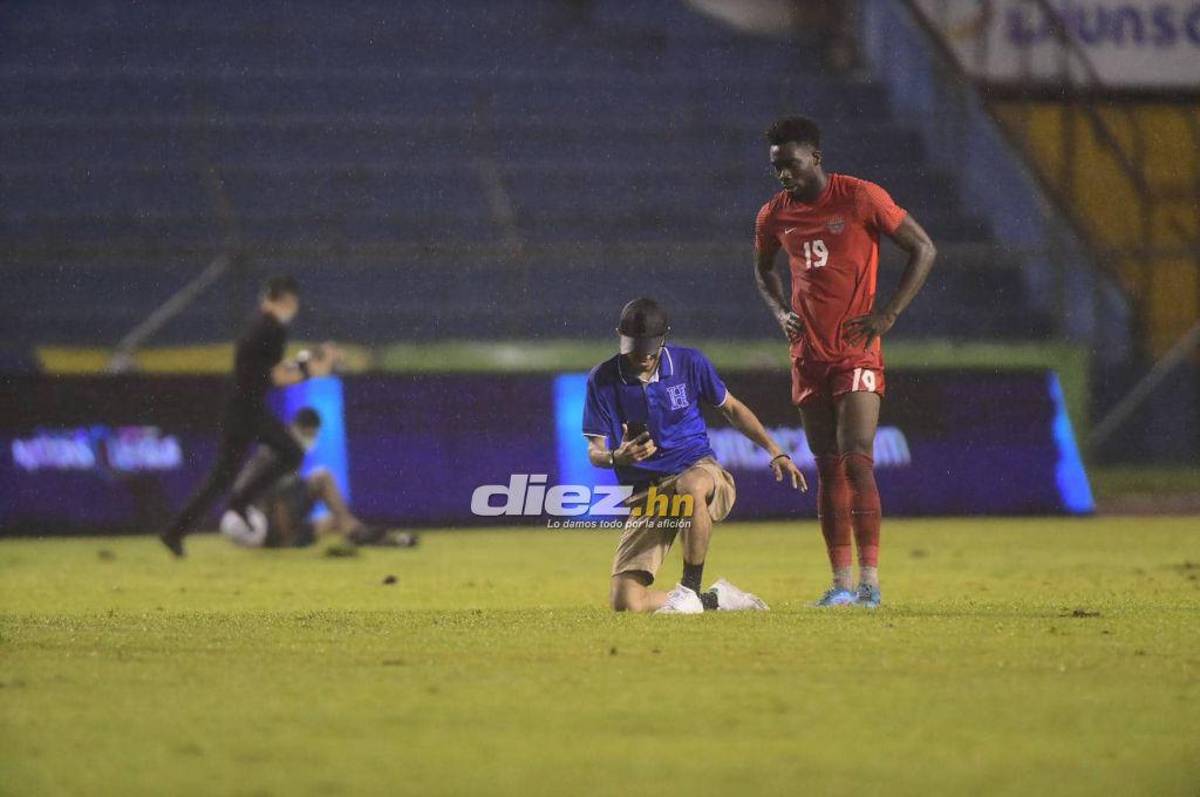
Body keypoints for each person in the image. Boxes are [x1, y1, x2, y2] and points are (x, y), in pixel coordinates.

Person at [753, 116, 937, 608]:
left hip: (856, 350)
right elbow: (763, 269)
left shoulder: (859, 197)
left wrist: (889, 313)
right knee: (829, 467)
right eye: (776, 168)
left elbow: (923, 247)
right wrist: (780, 313)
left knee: (857, 458)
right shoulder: (773, 215)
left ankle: (870, 583)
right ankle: (839, 584)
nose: (783, 175)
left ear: (814, 156)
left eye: (790, 164)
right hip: (808, 355)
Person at [583, 297, 807, 614]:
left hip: (699, 469)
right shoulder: (602, 379)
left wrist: (774, 450)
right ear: (620, 336)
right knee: (626, 602)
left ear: (664, 339)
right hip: (650, 493)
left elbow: (731, 408)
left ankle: (690, 588)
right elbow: (595, 451)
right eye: (634, 346)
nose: (642, 355)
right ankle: (715, 599)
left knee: (691, 485)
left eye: (649, 346)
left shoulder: (690, 363)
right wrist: (618, 457)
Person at [159, 275, 339, 556]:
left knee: (221, 477)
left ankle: (175, 531)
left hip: (240, 406)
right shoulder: (273, 329)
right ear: (288, 301)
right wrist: (309, 370)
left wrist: (306, 361)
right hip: (248, 409)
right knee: (292, 452)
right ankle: (240, 503)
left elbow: (270, 368)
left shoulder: (260, 325)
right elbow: (278, 376)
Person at [221, 407, 418, 549]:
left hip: (261, 526)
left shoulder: (282, 450)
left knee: (334, 521)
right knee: (322, 478)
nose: (310, 439)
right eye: (307, 434)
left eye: (312, 435)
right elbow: (268, 495)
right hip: (260, 524)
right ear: (294, 428)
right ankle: (356, 532)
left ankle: (390, 540)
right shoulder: (279, 451)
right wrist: (285, 538)